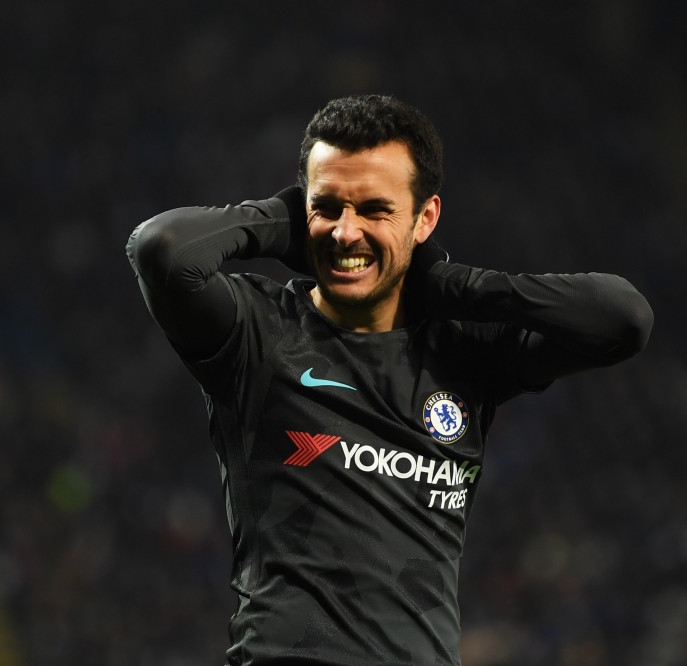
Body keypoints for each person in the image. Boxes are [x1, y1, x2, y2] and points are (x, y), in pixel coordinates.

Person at [126, 94, 653, 666]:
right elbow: (163, 250)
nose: (345, 232)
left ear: (424, 218)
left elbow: (622, 320)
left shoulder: (464, 352)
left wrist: (451, 284)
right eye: (328, 206)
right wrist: (285, 220)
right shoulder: (257, 331)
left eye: (375, 210)